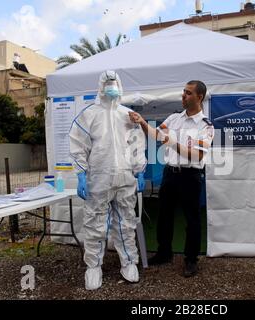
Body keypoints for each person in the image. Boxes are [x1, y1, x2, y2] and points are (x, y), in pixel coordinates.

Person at [69, 70, 147, 290]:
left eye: (114, 83)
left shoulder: (128, 115)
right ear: (100, 87)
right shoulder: (89, 115)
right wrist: (81, 175)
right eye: (108, 83)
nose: (111, 87)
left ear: (120, 86)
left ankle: (129, 263)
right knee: (95, 224)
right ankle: (93, 267)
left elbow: (137, 143)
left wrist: (140, 170)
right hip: (98, 179)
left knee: (126, 223)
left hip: (125, 177)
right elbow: (78, 145)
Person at [129, 80, 214, 277]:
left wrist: (172, 142)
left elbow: (197, 155)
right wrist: (142, 122)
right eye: (183, 92)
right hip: (170, 174)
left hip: (190, 176)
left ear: (199, 97)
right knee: (164, 215)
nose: (183, 96)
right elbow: (157, 135)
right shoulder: (175, 118)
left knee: (192, 219)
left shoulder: (206, 126)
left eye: (188, 93)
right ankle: (164, 252)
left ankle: (191, 259)